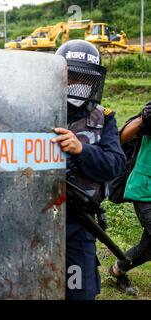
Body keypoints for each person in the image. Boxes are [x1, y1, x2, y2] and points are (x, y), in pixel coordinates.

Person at [53, 40, 126, 300]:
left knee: (78, 291)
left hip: (77, 221)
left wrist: (82, 150)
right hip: (34, 219)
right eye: (70, 76)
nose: (76, 83)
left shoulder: (103, 117)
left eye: (83, 77)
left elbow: (115, 165)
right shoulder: (35, 109)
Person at [108, 101, 151, 296]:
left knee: (148, 247)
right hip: (145, 188)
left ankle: (117, 270)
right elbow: (121, 138)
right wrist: (143, 118)